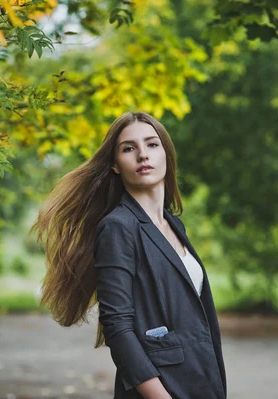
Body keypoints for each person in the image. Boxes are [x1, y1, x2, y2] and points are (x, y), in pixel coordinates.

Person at [30, 111, 227, 398]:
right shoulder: (118, 227)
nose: (142, 155)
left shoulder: (174, 224)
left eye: (152, 144)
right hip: (162, 388)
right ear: (115, 165)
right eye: (128, 148)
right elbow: (118, 327)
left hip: (202, 380)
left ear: (166, 155)